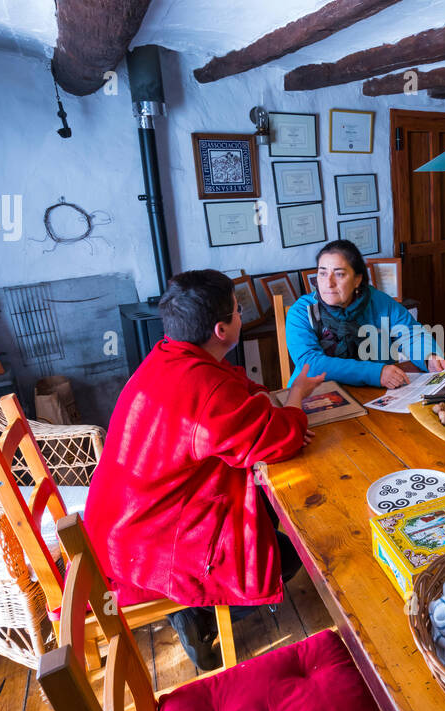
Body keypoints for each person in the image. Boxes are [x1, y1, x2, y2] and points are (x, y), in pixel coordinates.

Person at [84, 269, 324, 671]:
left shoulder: (168, 355)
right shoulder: (205, 391)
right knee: (285, 556)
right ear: (221, 329)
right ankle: (196, 614)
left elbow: (238, 393)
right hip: (152, 543)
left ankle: (191, 611)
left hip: (120, 523)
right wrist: (296, 398)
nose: (241, 315)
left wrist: (271, 406)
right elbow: (279, 438)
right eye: (237, 310)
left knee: (264, 513)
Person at [285, 240, 445, 388]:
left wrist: (429, 356)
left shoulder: (378, 301)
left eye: (339, 274)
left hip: (374, 392)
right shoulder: (301, 312)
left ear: (357, 279)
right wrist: (376, 373)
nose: (328, 283)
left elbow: (410, 334)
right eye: (322, 273)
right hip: (316, 394)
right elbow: (312, 364)